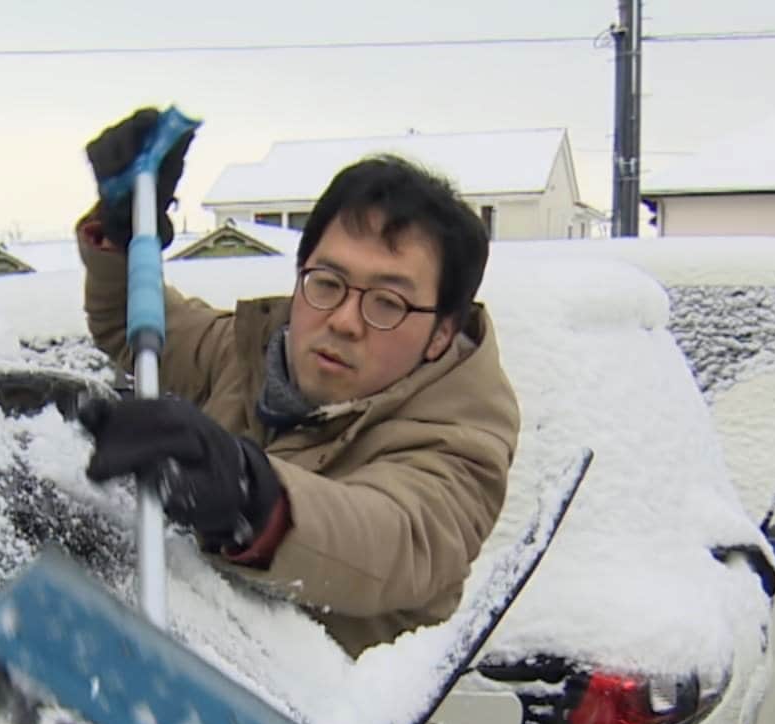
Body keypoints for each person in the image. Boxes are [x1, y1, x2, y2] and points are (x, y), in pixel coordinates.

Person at [75, 108, 521, 658]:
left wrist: (246, 497)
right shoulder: (251, 357)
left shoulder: (460, 439)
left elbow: (391, 538)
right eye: (327, 282)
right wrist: (122, 231)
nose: (344, 321)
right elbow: (133, 324)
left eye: (387, 301)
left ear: (441, 332)